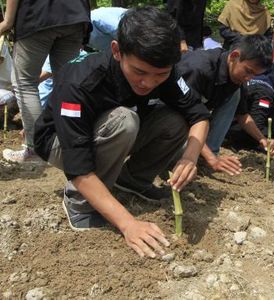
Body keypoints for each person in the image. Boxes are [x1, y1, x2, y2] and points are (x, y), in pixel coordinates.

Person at [33, 7, 210, 258]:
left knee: (174, 120)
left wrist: (190, 157)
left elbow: (199, 115)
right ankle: (79, 204)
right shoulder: (81, 82)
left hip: (109, 133)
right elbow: (78, 164)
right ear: (117, 51)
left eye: (160, 74)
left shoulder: (164, 72)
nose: (148, 83)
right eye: (139, 72)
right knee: (124, 120)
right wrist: (128, 224)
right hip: (59, 141)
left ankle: (131, 182)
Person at [2, 0, 91, 163]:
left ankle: (37, 149)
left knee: (25, 83)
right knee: (67, 83)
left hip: (38, 14)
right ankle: (72, 145)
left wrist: (8, 21)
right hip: (76, 15)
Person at [175, 34, 273, 176]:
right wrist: (212, 159)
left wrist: (262, 139)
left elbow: (243, 115)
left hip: (195, 120)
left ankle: (206, 153)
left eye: (254, 75)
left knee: (235, 95)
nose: (249, 78)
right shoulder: (198, 68)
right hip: (171, 119)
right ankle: (200, 155)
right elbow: (186, 116)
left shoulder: (237, 79)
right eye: (248, 71)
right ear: (234, 56)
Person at [226, 78, 274, 158]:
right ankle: (244, 143)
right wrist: (267, 141)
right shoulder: (264, 96)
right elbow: (256, 123)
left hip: (235, 115)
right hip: (229, 124)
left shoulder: (262, 84)